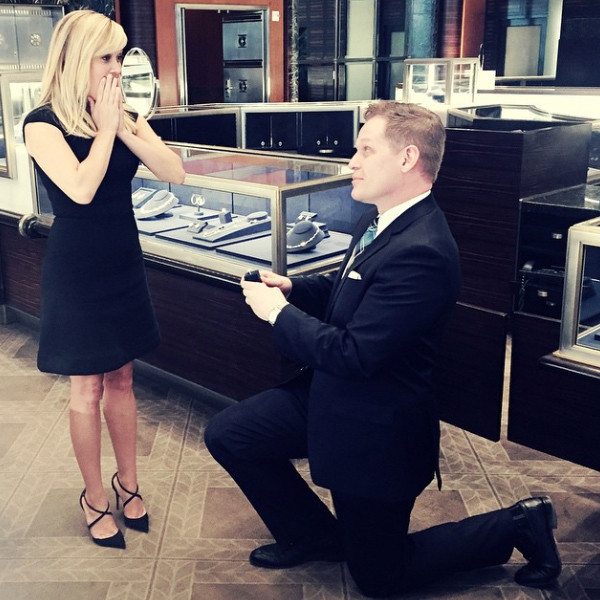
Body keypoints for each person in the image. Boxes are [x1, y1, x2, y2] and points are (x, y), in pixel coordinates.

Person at [204, 100, 561, 596]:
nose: (352, 161)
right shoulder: (381, 220)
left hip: (376, 427)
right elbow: (349, 287)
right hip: (333, 394)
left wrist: (277, 314)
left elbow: (355, 353)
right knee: (230, 434)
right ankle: (313, 534)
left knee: (379, 576)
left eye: (365, 150)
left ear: (408, 158)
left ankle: (520, 523)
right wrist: (293, 288)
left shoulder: (423, 250)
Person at [23, 10, 185, 549]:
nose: (116, 67)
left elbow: (174, 172)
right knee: (86, 386)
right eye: (106, 57)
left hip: (122, 259)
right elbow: (81, 189)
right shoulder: (42, 123)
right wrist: (108, 130)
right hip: (76, 268)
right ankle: (94, 496)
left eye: (120, 56)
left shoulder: (123, 114)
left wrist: (125, 125)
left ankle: (128, 482)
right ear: (76, 59)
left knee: (123, 377)